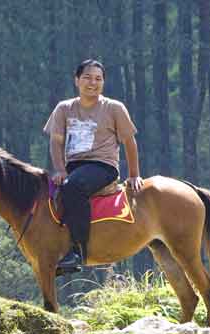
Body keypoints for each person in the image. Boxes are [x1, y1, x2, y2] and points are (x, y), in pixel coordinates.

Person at [44, 59, 144, 269]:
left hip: (102, 166)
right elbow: (56, 141)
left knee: (73, 187)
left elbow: (129, 141)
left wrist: (134, 174)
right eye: (87, 77)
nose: (93, 83)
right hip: (73, 167)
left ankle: (78, 251)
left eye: (98, 79)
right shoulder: (64, 108)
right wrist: (60, 169)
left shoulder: (114, 108)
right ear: (77, 80)